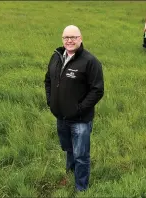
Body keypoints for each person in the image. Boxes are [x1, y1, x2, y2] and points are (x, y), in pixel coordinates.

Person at [44, 25, 104, 191]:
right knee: (68, 149)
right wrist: (51, 101)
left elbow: (97, 90)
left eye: (73, 37)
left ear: (80, 38)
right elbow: (48, 80)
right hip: (61, 117)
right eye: (66, 37)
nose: (69, 40)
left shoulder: (90, 61)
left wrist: (79, 109)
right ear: (62, 39)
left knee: (81, 155)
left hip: (80, 120)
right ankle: (70, 174)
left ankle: (81, 188)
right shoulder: (56, 56)